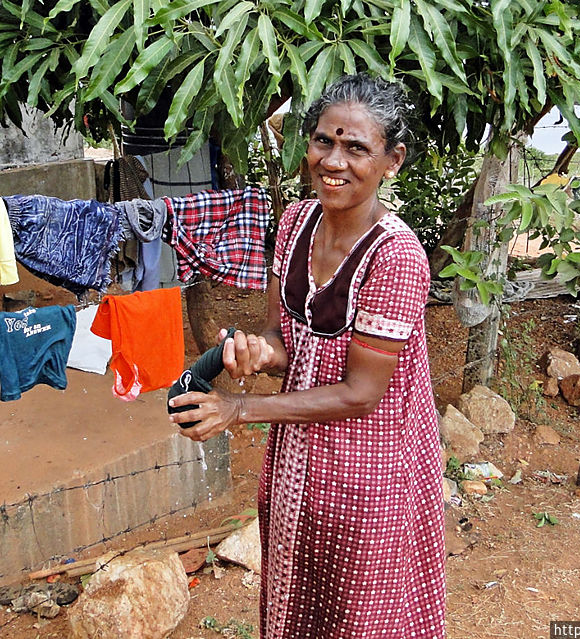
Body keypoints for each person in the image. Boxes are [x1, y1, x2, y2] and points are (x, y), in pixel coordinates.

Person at [169, 74, 445, 638]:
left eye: (356, 148)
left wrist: (237, 411)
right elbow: (285, 338)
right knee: (298, 599)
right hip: (299, 464)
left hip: (372, 474)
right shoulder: (297, 222)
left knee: (362, 610)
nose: (333, 161)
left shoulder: (398, 258)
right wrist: (257, 352)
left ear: (392, 160)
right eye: (324, 141)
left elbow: (362, 392)